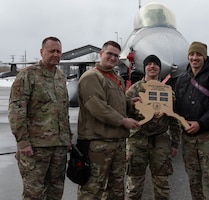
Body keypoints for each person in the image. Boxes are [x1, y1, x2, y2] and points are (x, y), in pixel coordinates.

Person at [8, 36, 72, 199]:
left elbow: (63, 110)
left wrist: (67, 138)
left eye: (59, 51)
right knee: (34, 194)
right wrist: (22, 142)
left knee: (55, 192)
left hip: (58, 147)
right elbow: (16, 110)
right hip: (35, 148)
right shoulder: (27, 75)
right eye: (52, 51)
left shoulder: (60, 77)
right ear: (42, 52)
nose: (56, 54)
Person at [76, 40, 140, 200]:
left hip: (117, 144)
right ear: (101, 54)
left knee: (116, 189)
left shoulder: (115, 78)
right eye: (109, 54)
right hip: (98, 144)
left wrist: (130, 103)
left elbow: (117, 103)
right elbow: (97, 107)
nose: (112, 58)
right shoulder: (91, 77)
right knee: (92, 191)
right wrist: (123, 121)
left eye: (116, 56)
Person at [174, 41, 209, 200]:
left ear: (205, 57)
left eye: (198, 54)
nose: (194, 58)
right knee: (194, 180)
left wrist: (201, 123)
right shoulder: (182, 79)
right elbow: (177, 105)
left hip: (208, 137)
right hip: (188, 138)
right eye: (192, 54)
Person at [125, 55, 182, 200]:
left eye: (155, 64)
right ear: (144, 68)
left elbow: (174, 118)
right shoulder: (135, 89)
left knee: (162, 183)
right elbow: (123, 113)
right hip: (137, 141)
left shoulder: (167, 90)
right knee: (134, 185)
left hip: (160, 141)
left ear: (159, 69)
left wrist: (175, 143)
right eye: (149, 64)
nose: (152, 67)